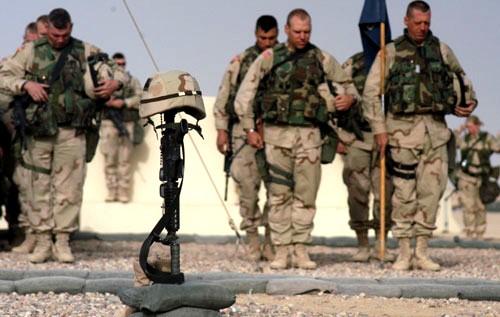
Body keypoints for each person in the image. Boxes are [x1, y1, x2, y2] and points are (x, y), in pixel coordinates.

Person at [235, 8, 359, 270]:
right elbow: (244, 95)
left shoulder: (320, 57)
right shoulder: (270, 58)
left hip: (310, 137)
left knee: (306, 195)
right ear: (287, 31)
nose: (303, 36)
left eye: (307, 32)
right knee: (279, 195)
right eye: (298, 31)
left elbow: (347, 83)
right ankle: (281, 251)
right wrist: (249, 130)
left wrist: (348, 98)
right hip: (277, 137)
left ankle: (301, 249)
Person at [0, 8, 123, 263]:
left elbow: (115, 70)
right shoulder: (31, 51)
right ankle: (43, 240)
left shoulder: (85, 50)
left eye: (64, 34)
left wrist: (114, 83)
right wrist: (25, 85)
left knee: (70, 188)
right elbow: (4, 75)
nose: (59, 40)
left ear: (71, 28)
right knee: (37, 188)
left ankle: (63, 241)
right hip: (38, 132)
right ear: (49, 31)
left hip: (72, 132)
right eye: (55, 35)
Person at [362, 0, 477, 271]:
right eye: (418, 23)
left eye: (427, 23)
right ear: (406, 21)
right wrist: (379, 129)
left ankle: (422, 251)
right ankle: (403, 253)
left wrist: (468, 102)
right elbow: (371, 93)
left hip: (435, 133)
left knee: (431, 192)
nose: (423, 27)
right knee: (403, 194)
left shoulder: (441, 50)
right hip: (401, 134)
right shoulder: (390, 53)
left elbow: (462, 79)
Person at [213, 15, 278, 261]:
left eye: (271, 38)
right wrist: (221, 131)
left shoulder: (282, 60)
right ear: (255, 35)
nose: (267, 42)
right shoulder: (241, 62)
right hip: (242, 132)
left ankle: (271, 241)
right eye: (263, 38)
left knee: (277, 190)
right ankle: (252, 240)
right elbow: (223, 98)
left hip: (274, 132)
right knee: (247, 188)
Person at [339, 52, 394, 262]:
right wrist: (340, 136)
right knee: (357, 193)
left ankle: (382, 242)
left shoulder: (393, 59)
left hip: (387, 138)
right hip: (358, 138)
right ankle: (362, 243)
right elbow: (334, 97)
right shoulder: (353, 64)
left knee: (385, 193)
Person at [100, 52, 142, 203]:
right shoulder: (104, 81)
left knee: (125, 160)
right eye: (117, 64)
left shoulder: (132, 81)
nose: (121, 67)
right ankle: (112, 191)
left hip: (127, 123)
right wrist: (107, 102)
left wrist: (124, 103)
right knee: (109, 159)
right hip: (108, 123)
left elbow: (141, 97)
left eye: (123, 64)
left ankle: (123, 192)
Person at [455, 115, 500, 239]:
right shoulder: (465, 139)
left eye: (471, 126)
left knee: (480, 206)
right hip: (466, 177)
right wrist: (460, 129)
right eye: (467, 126)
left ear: (477, 125)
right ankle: (469, 232)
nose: (469, 129)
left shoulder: (487, 139)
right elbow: (452, 141)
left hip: (482, 178)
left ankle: (480, 233)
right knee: (468, 206)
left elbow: (497, 148)